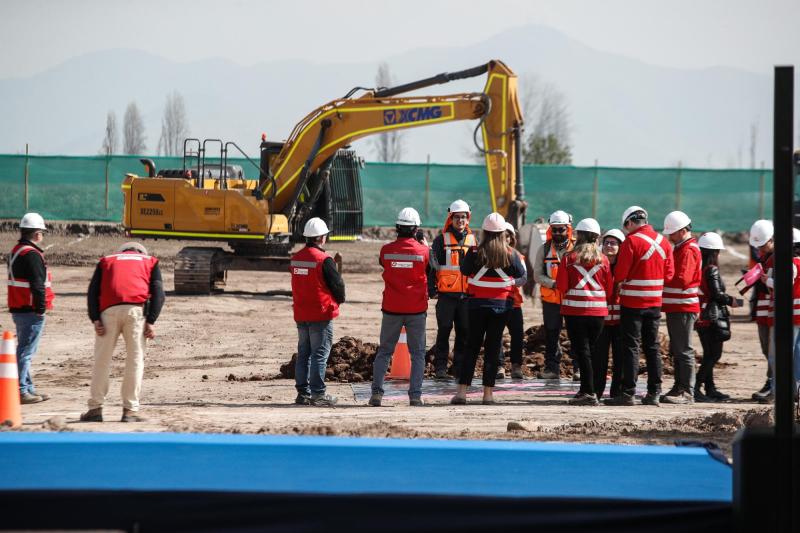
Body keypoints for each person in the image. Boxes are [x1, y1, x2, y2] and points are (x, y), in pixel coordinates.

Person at [80, 242, 165, 422]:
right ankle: (130, 410)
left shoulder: (107, 260)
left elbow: (92, 291)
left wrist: (95, 318)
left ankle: (95, 409)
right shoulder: (149, 261)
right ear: (141, 252)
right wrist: (151, 321)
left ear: (121, 252)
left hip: (107, 313)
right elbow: (159, 293)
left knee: (101, 360)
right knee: (135, 360)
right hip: (136, 312)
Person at [450, 213, 525, 405]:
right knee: (493, 348)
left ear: (484, 232)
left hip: (476, 306)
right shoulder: (510, 254)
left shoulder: (474, 252)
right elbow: (522, 276)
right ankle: (488, 395)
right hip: (501, 307)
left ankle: (461, 393)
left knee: (472, 347)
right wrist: (505, 282)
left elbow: (465, 271)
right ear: (502, 233)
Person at [605, 206, 674, 406]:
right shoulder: (664, 242)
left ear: (629, 222)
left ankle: (628, 393)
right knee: (652, 347)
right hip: (654, 304)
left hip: (632, 303)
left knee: (631, 348)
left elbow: (620, 275)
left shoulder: (631, 242)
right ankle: (654, 392)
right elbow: (668, 276)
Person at [370, 208, 430, 407]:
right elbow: (431, 267)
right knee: (418, 353)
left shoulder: (386, 251)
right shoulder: (423, 251)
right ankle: (415, 395)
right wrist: (424, 244)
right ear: (416, 229)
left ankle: (377, 394)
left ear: (397, 228)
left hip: (391, 308)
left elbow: (383, 263)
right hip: (416, 309)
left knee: (385, 352)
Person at [289, 218, 345, 407]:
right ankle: (318, 394)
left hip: (301, 313)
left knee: (304, 353)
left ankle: (302, 394)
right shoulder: (324, 260)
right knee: (319, 354)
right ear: (321, 238)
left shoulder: (296, 258)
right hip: (320, 314)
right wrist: (340, 299)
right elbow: (337, 285)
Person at [556, 218, 612, 406]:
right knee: (594, 352)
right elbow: (609, 289)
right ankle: (592, 389)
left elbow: (562, 286)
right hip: (598, 312)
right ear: (597, 237)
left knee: (582, 352)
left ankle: (588, 392)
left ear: (578, 235)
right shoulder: (603, 260)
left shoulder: (568, 258)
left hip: (575, 312)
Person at [7, 213, 54, 404]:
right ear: (36, 234)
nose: (42, 235)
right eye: (41, 232)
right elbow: (37, 284)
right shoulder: (32, 254)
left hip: (20, 306)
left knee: (25, 350)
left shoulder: (17, 250)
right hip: (30, 309)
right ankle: (22, 390)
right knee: (26, 351)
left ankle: (28, 388)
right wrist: (41, 308)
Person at [428, 199, 476, 380]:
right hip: (446, 296)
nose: (460, 220)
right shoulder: (441, 241)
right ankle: (440, 369)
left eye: (463, 217)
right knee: (444, 331)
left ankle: (459, 368)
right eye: (457, 217)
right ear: (451, 218)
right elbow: (432, 267)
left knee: (464, 332)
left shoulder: (473, 241)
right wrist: (431, 289)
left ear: (468, 218)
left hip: (467, 296)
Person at [660, 211, 702, 404]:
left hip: (683, 307)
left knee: (684, 349)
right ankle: (679, 387)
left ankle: (686, 391)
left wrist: (661, 276)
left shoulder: (688, 250)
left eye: (673, 232)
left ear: (683, 230)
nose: (669, 236)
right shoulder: (681, 248)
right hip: (677, 307)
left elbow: (682, 279)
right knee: (678, 349)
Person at [694, 232, 739, 402]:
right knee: (713, 354)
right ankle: (697, 387)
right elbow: (716, 293)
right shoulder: (711, 269)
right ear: (715, 253)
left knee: (709, 353)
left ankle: (710, 388)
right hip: (712, 316)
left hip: (702, 315)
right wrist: (732, 300)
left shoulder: (700, 268)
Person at [757, 227, 800, 404]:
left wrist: (766, 279)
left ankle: (778, 391)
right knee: (797, 355)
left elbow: (784, 285)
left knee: (779, 354)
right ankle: (796, 391)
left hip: (787, 315)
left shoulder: (790, 263)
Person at [533, 210, 576, 380]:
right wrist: (554, 284)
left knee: (575, 334)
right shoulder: (544, 249)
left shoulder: (577, 248)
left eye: (561, 229)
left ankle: (578, 369)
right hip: (551, 300)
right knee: (551, 334)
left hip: (572, 299)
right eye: (555, 229)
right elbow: (537, 274)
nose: (558, 233)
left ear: (568, 229)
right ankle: (552, 369)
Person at [594, 229, 625, 399]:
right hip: (602, 320)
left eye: (614, 243)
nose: (609, 246)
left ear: (621, 246)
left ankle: (617, 391)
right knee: (599, 357)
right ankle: (597, 390)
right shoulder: (598, 265)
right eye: (607, 242)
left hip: (621, 320)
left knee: (620, 358)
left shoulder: (625, 267)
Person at [748, 220, 775, 401]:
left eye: (763, 245)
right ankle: (772, 381)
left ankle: (772, 383)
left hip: (773, 308)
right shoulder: (763, 257)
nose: (760, 249)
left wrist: (766, 281)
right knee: (767, 349)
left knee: (774, 350)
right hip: (763, 308)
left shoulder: (780, 258)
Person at [496, 222, 526, 380]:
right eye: (503, 236)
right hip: (498, 302)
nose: (505, 239)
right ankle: (499, 366)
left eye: (508, 236)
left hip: (514, 303)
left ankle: (516, 366)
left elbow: (523, 278)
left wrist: (509, 282)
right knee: (496, 335)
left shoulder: (518, 257)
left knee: (517, 335)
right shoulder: (493, 256)